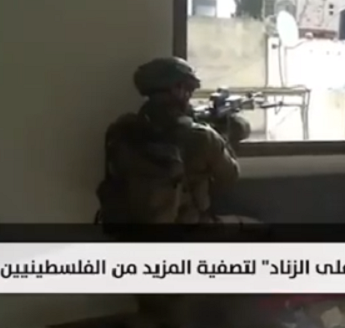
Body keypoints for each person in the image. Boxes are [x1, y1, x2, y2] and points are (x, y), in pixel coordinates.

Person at [96, 57, 252, 328]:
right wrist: (223, 138)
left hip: (130, 234)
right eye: (188, 89)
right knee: (258, 232)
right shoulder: (202, 136)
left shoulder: (121, 130)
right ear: (178, 90)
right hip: (184, 237)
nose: (189, 94)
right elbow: (229, 178)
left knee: (155, 307)